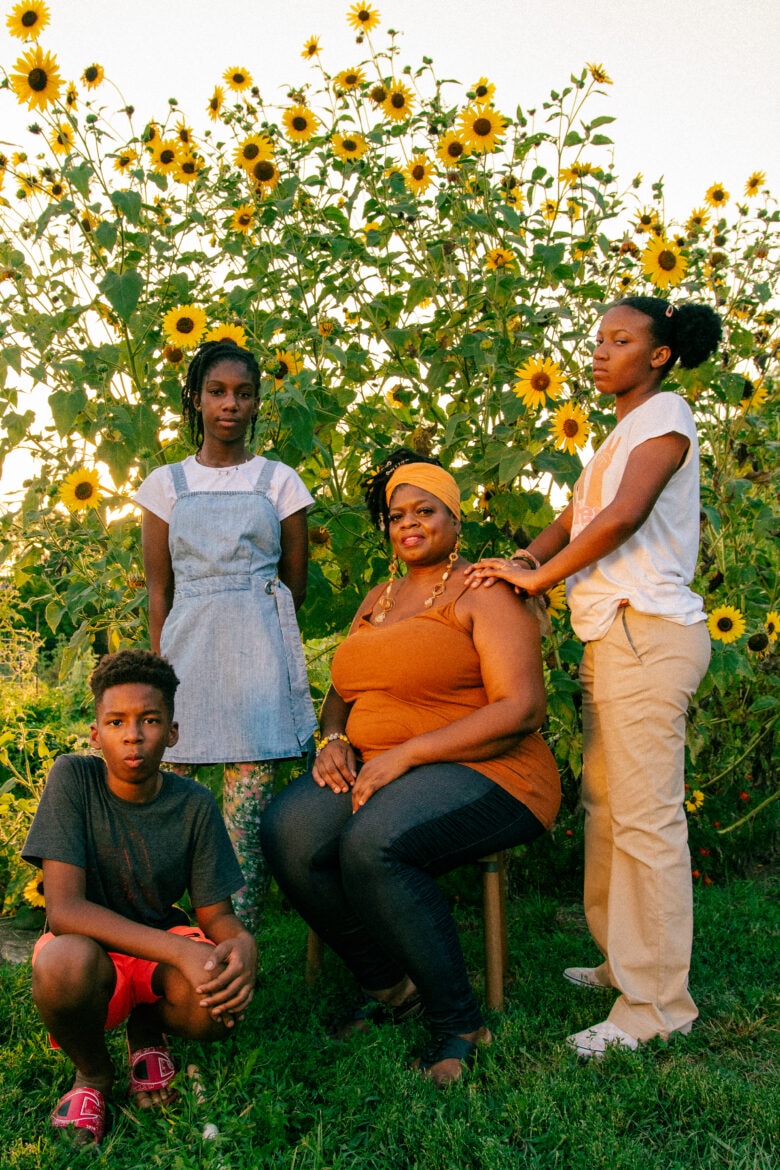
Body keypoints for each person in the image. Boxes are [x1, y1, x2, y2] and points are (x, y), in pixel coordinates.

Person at [467, 296, 722, 1058]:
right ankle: (620, 957)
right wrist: (520, 563)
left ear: (660, 356)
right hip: (616, 636)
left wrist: (540, 582)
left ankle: (652, 1005)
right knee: (609, 806)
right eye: (597, 339)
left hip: (649, 632)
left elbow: (623, 519)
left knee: (647, 821)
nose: (601, 352)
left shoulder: (665, 416)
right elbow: (579, 520)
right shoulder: (623, 430)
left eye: (621, 340)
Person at [260, 447, 560, 1087]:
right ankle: (393, 988)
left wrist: (406, 753)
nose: (409, 524)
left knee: (374, 843)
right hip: (379, 763)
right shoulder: (379, 596)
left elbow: (522, 708)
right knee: (287, 829)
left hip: (494, 772)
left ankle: (459, 1022)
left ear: (454, 520)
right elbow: (346, 685)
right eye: (397, 516)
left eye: (425, 510)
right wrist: (334, 736)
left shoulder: (484, 589)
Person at [22, 649, 257, 1146]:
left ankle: (146, 1029)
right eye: (116, 721)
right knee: (62, 964)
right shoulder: (73, 780)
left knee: (215, 1000)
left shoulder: (193, 804)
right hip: (92, 952)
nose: (133, 734)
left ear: (172, 732)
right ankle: (93, 1074)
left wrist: (242, 945)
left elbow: (217, 915)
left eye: (150, 720)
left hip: (156, 944)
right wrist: (180, 950)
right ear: (96, 734)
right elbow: (64, 911)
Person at [133, 339, 317, 933]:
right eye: (217, 392)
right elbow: (160, 592)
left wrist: (254, 622)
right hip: (185, 657)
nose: (230, 405)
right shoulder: (166, 485)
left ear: (258, 403)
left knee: (246, 818)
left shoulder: (279, 482)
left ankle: (238, 950)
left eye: (243, 394)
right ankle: (170, 939)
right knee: (170, 804)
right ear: (195, 399)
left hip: (258, 657)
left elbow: (293, 583)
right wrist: (160, 678)